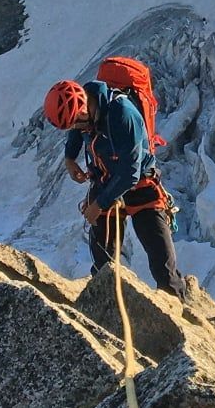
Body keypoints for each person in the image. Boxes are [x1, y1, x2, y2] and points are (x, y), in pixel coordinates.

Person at [43, 76, 186, 297]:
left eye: (76, 123)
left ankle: (178, 309)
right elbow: (77, 131)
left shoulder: (123, 115)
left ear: (83, 110)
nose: (76, 128)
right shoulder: (85, 109)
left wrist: (99, 204)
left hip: (140, 186)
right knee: (103, 266)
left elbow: (130, 173)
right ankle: (105, 307)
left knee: (163, 268)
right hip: (106, 182)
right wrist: (69, 159)